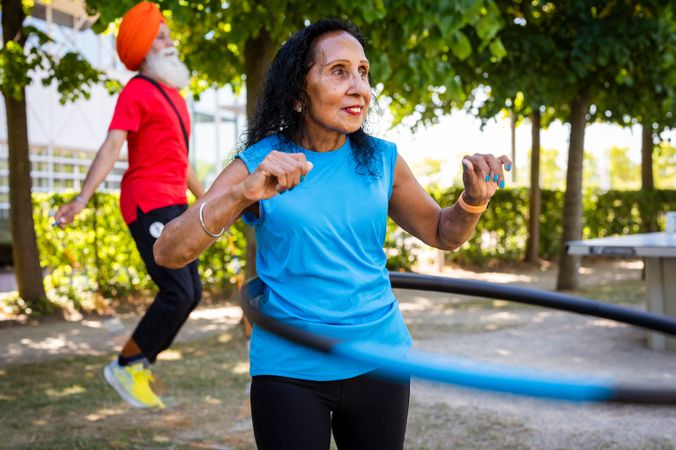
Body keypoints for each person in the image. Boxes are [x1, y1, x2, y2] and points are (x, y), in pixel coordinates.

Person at [153, 18, 511, 449]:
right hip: (290, 368)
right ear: (298, 93)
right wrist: (242, 195)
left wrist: (473, 200)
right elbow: (169, 252)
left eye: (363, 71)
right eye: (339, 71)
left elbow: (442, 232)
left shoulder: (382, 160)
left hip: (380, 357)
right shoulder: (260, 161)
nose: (359, 85)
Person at [55, 2, 204, 410]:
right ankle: (125, 364)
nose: (169, 39)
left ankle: (136, 365)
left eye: (167, 33)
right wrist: (83, 197)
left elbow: (182, 161)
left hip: (175, 203)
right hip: (147, 202)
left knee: (192, 293)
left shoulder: (174, 97)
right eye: (160, 35)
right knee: (176, 292)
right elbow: (112, 145)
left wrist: (210, 201)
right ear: (144, 49)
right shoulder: (137, 91)